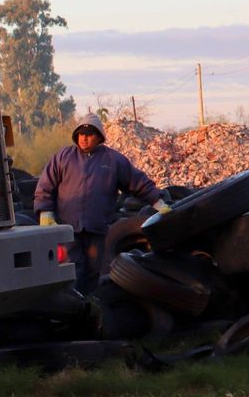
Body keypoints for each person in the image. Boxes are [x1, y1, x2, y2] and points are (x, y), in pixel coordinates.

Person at [33, 113, 170, 295]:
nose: (84, 138)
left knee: (92, 273)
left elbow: (136, 182)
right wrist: (45, 212)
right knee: (72, 270)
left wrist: (157, 201)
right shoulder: (63, 157)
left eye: (89, 135)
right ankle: (70, 310)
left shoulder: (113, 160)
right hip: (67, 228)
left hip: (97, 228)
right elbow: (45, 185)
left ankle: (90, 310)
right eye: (81, 134)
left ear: (99, 137)